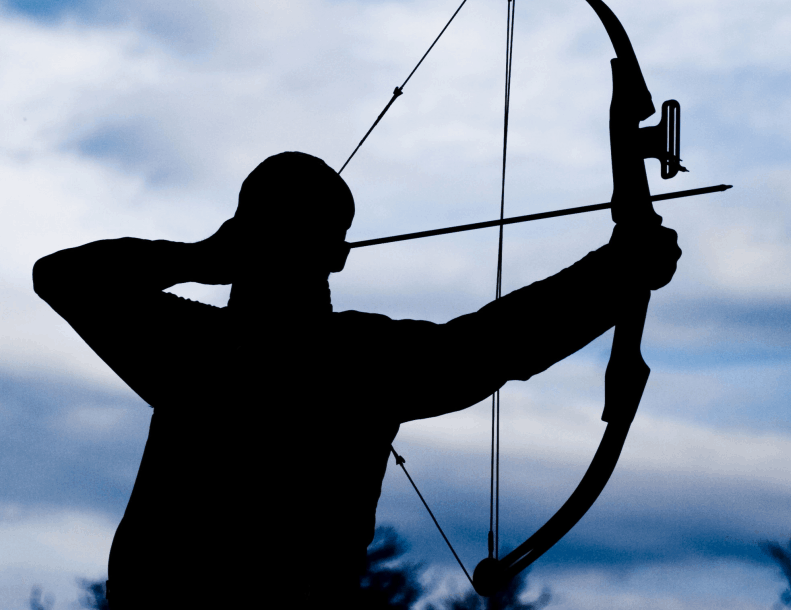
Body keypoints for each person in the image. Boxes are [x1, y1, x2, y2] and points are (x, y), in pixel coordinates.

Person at [33, 151, 681, 608]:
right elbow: (491, 346)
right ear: (338, 253)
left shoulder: (190, 347)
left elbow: (65, 277)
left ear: (240, 234)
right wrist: (618, 273)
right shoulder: (358, 360)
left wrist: (204, 257)